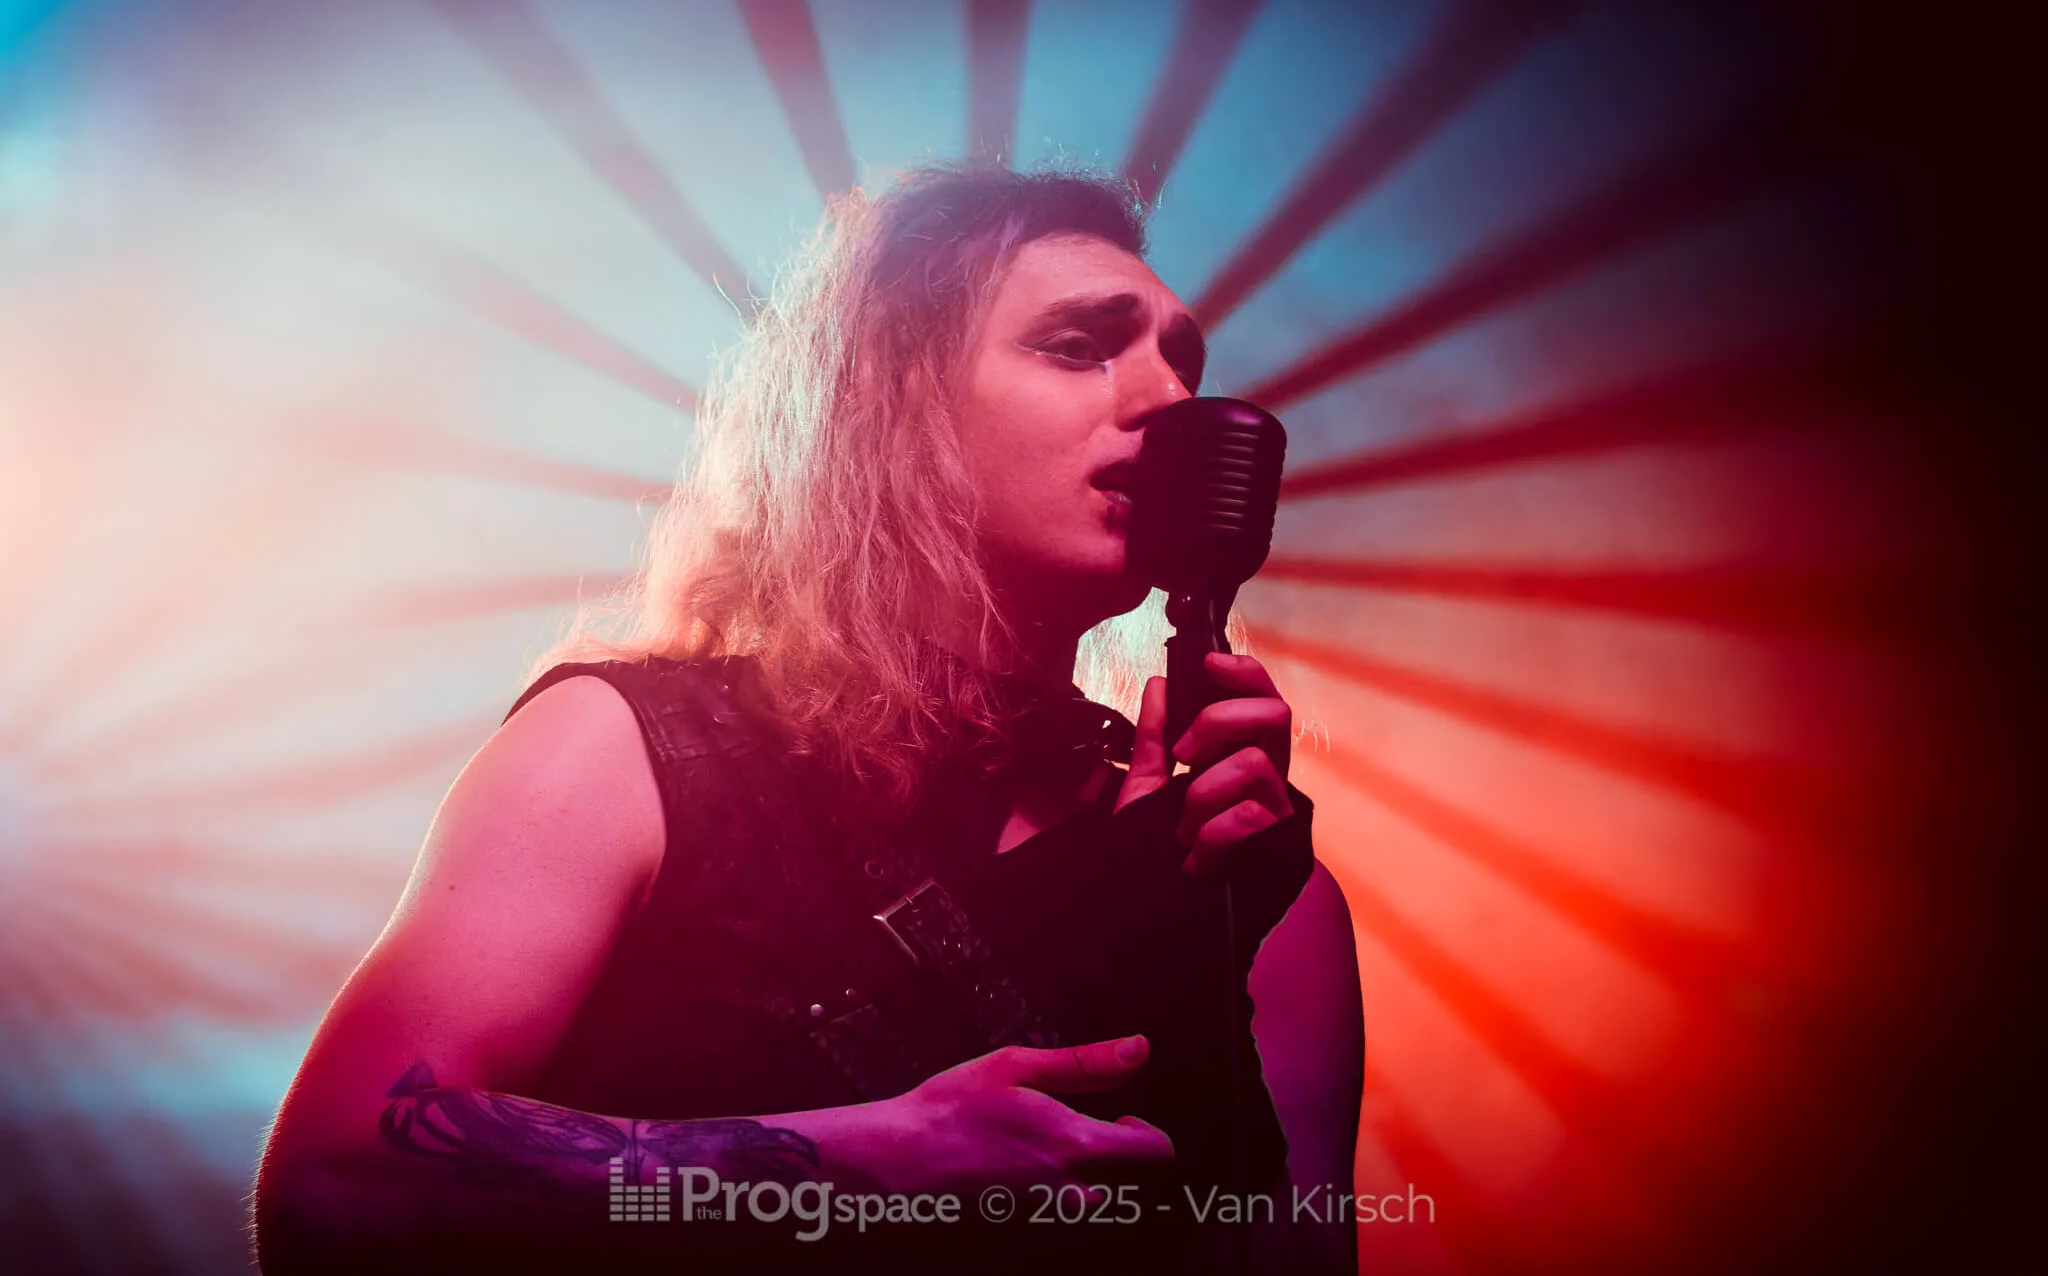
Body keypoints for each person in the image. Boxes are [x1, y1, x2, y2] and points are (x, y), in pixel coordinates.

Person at [252, 164, 1364, 1273]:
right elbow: (334, 1184)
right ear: (891, 401)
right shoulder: (620, 753)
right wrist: (864, 1160)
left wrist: (1195, 986)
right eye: (1078, 347)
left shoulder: (1260, 883)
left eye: (1184, 364)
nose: (1170, 402)